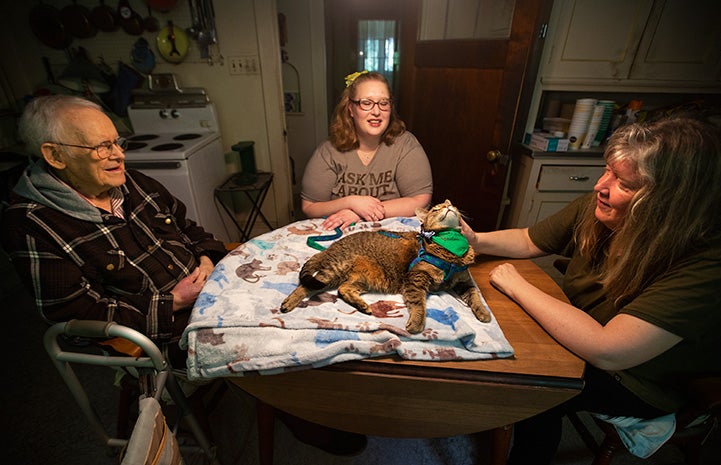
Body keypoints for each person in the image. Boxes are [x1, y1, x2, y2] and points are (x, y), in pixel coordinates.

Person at [460, 117, 721, 464]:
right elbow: (527, 239)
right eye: (608, 170)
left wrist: (516, 284)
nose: (601, 185)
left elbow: (608, 350)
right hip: (584, 331)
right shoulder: (600, 207)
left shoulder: (705, 264)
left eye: (624, 183)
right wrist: (476, 240)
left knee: (538, 387)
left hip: (636, 379)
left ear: (667, 204)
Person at [1, 95, 228, 367]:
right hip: (163, 330)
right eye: (102, 147)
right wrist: (173, 302)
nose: (119, 155)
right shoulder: (30, 224)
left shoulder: (134, 182)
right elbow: (76, 314)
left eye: (117, 142)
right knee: (260, 347)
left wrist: (206, 259)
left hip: (211, 291)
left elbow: (188, 229)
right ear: (55, 155)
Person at [301, 70, 433, 230]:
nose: (376, 112)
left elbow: (420, 200)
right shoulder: (328, 151)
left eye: (383, 103)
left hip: (391, 236)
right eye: (366, 103)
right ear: (351, 109)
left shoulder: (406, 145)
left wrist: (361, 214)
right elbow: (309, 207)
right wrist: (350, 202)